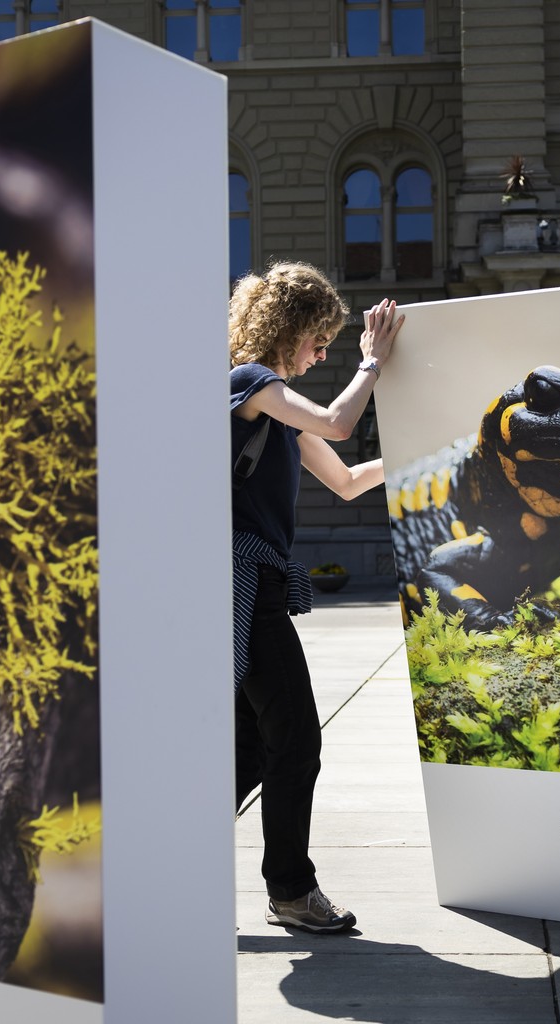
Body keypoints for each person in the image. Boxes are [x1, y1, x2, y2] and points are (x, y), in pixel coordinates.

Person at [229, 262, 403, 933]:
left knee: (249, 749)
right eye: (319, 340)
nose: (323, 353)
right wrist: (370, 362)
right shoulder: (252, 383)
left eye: (333, 343)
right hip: (246, 588)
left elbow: (351, 480)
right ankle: (292, 893)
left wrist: (440, 445)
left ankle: (166, 865)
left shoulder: (274, 410)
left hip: (255, 585)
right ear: (290, 331)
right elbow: (337, 423)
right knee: (296, 739)